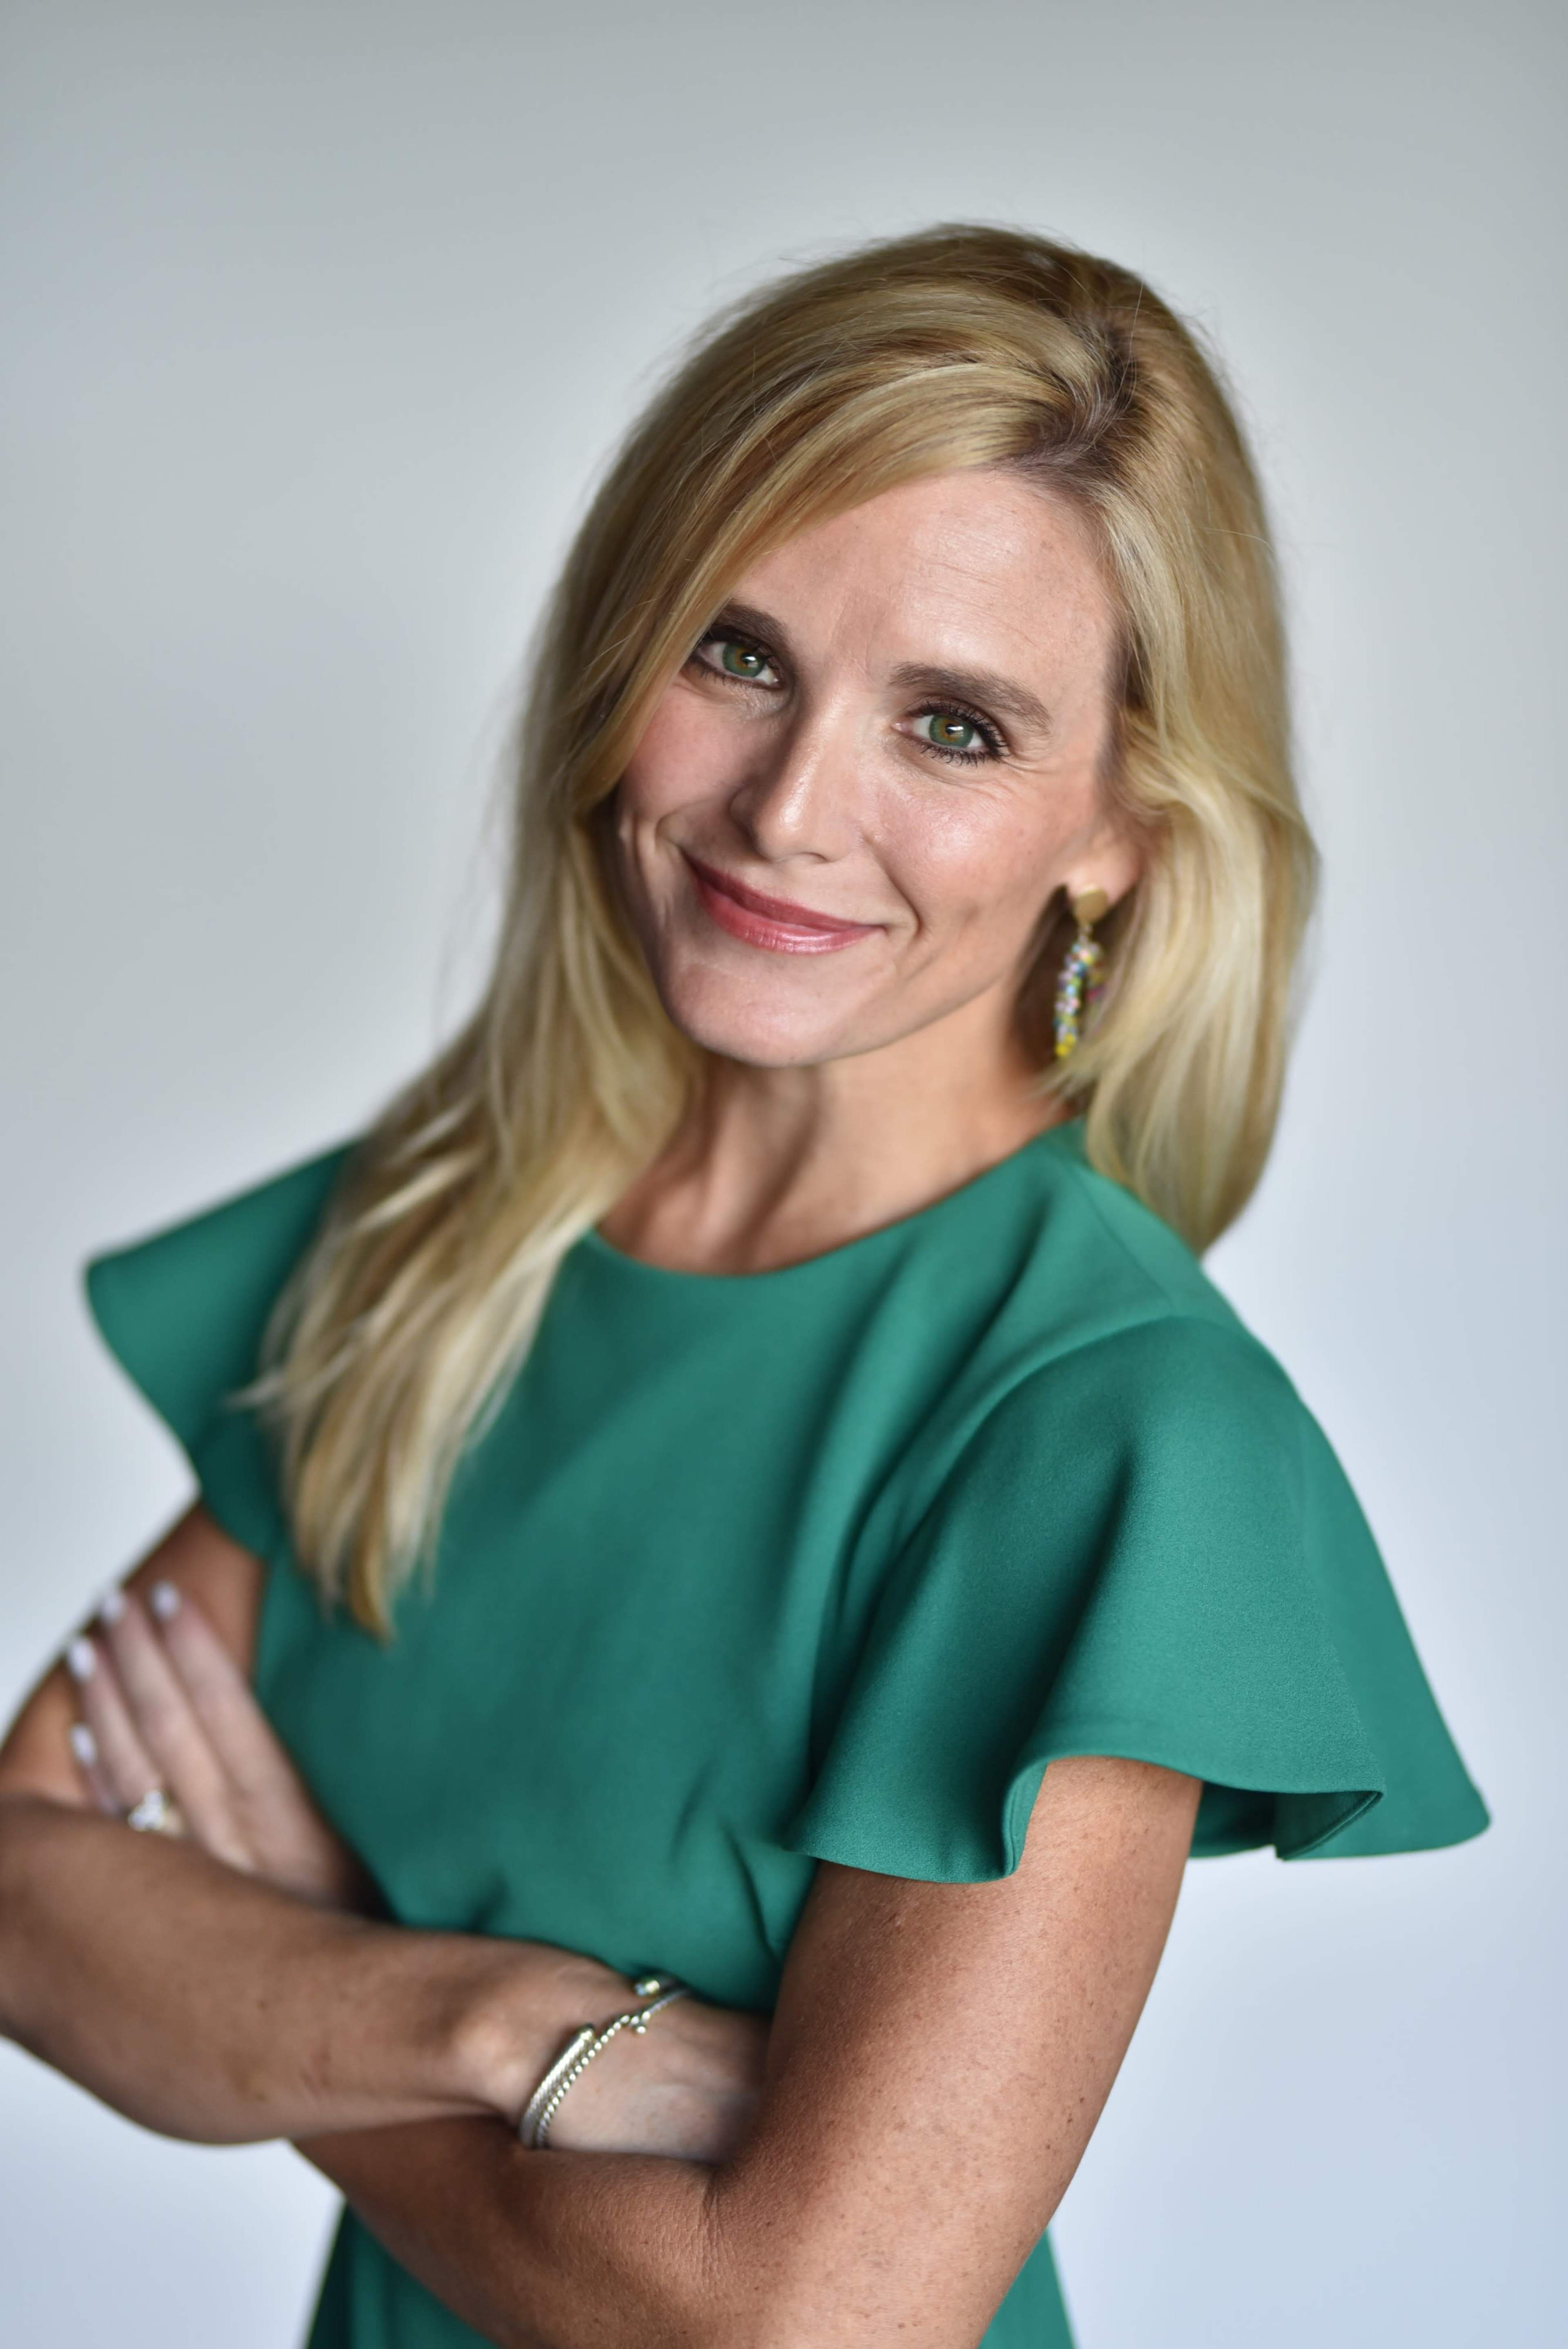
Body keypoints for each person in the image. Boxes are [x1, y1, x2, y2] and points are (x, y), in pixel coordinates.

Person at [0, 224, 1486, 2349]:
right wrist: (508, 2025)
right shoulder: (438, 1246)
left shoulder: (1106, 1429)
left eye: (954, 728)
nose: (790, 812)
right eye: (737, 651)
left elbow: (799, 2326)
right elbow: (29, 1884)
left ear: (1124, 829)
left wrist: (282, 1994)